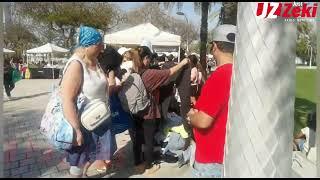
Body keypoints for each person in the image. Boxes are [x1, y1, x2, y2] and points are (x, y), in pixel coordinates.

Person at [129, 46, 190, 175]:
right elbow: (169, 72)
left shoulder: (133, 72)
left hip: (134, 111)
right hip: (147, 112)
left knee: (137, 139)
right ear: (146, 58)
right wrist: (183, 63)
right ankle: (149, 165)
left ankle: (137, 164)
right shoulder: (149, 73)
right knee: (149, 139)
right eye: (149, 59)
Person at [187, 24, 236, 178]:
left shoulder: (221, 75)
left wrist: (191, 116)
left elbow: (203, 121)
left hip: (211, 160)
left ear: (214, 46)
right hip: (228, 155)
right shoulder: (238, 74)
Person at [60, 25, 106, 177]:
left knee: (88, 158)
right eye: (98, 44)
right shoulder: (76, 65)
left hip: (95, 121)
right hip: (81, 124)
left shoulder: (94, 61)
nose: (101, 47)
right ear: (87, 46)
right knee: (77, 164)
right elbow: (67, 99)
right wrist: (76, 130)